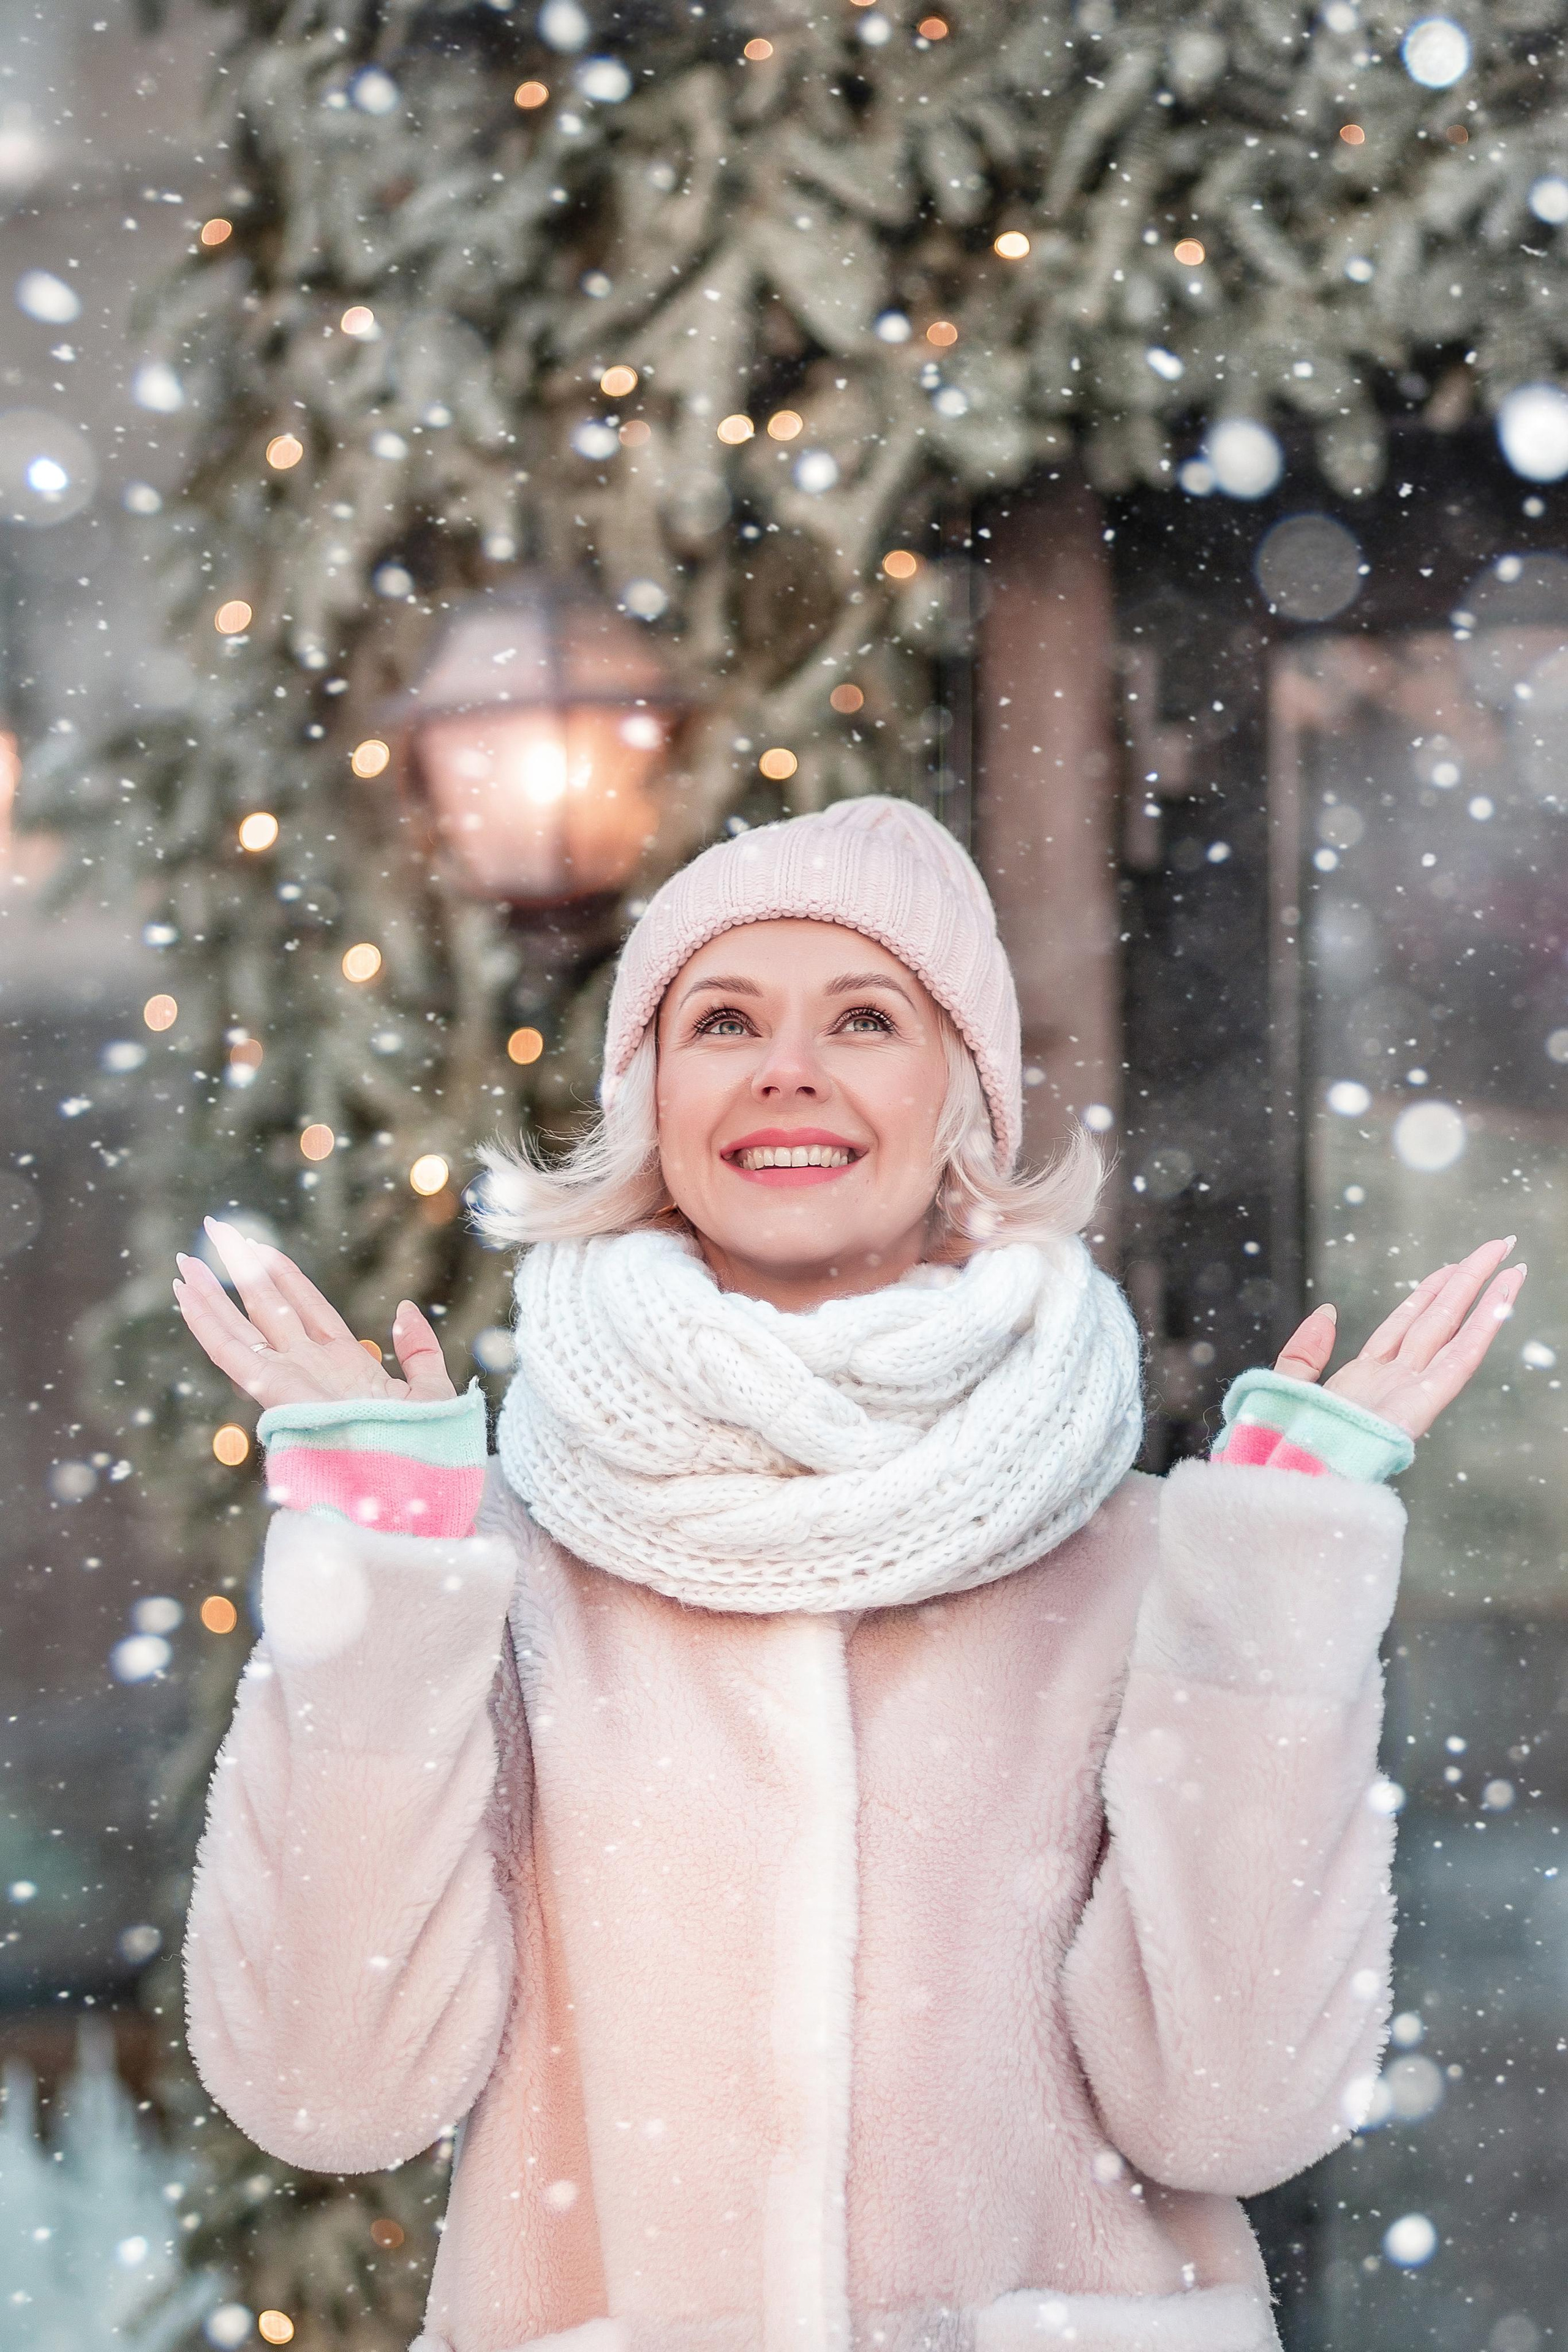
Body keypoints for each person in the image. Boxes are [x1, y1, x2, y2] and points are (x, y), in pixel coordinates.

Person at [176, 798, 1522, 2352]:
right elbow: (327, 2094)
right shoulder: (483, 1567)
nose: (784, 1069)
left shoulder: (1158, 1565)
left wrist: (1272, 1591)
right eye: (723, 1019)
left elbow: (1227, 2113)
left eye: (865, 1017)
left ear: (965, 1101)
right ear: (652, 1097)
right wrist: (378, 1565)